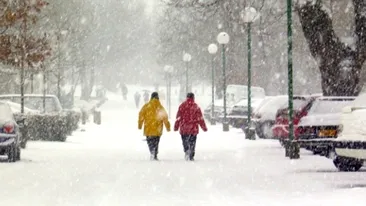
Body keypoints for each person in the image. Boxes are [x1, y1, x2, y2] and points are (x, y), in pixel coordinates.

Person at [174, 92, 207, 161]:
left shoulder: (182, 106)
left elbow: (178, 117)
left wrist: (176, 127)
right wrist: (204, 127)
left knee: (185, 141)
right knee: (192, 142)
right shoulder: (196, 107)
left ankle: (186, 151)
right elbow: (200, 118)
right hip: (193, 129)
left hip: (184, 128)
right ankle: (191, 154)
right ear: (193, 98)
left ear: (187, 98)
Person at [138, 92, 171, 161]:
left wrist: (140, 125)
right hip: (157, 129)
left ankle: (152, 151)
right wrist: (168, 127)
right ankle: (155, 153)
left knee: (150, 141)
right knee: (156, 142)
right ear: (157, 98)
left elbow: (141, 115)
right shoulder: (160, 107)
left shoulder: (146, 106)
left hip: (148, 128)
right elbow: (165, 117)